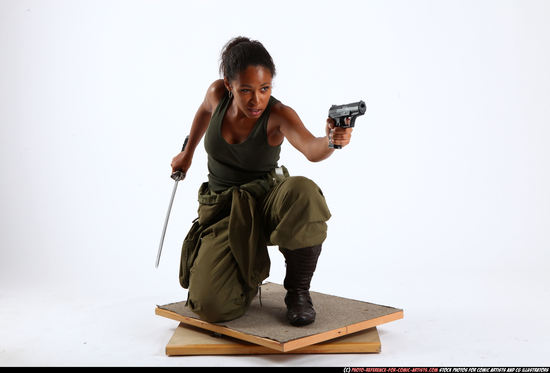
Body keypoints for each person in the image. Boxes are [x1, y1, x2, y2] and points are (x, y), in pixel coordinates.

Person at [170, 36, 353, 327]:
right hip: (223, 213)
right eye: (246, 90)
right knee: (211, 308)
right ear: (229, 86)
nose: (257, 100)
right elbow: (204, 111)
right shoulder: (217, 94)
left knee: (303, 192)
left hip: (266, 205)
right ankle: (242, 277)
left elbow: (311, 149)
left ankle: (298, 292)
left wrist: (331, 140)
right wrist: (187, 153)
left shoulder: (278, 115)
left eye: (264, 89)